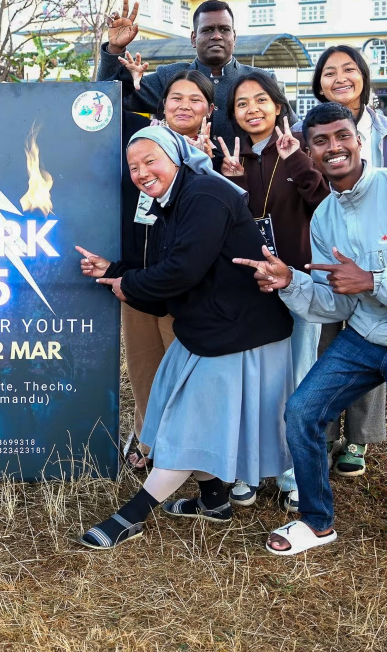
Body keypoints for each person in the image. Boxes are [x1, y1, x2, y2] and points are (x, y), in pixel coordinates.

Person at [237, 102, 387, 560]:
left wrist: (372, 280)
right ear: (309, 153)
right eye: (321, 141)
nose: (334, 147)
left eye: (341, 136)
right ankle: (316, 520)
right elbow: (337, 303)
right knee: (302, 412)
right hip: (367, 334)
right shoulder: (325, 216)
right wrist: (291, 282)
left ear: (359, 139)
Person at [74, 126, 296, 549]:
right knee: (182, 415)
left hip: (239, 332)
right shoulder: (173, 202)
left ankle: (132, 517)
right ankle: (214, 501)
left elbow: (182, 271)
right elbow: (169, 267)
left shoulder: (205, 195)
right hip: (209, 327)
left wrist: (128, 283)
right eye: (133, 167)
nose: (141, 172)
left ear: (176, 158)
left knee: (189, 427)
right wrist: (115, 272)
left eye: (150, 161)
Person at [296, 44, 387, 480]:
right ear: (318, 83)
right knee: (325, 340)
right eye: (329, 72)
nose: (340, 78)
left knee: (374, 334)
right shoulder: (300, 130)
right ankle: (324, 429)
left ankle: (359, 437)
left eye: (349, 69)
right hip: (325, 243)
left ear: (364, 77)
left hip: (380, 252)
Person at [218, 71, 330, 512]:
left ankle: (294, 474)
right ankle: (248, 470)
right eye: (242, 103)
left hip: (298, 283)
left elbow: (325, 206)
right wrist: (231, 180)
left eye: (261, 99)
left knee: (300, 381)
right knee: (253, 382)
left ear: (278, 106)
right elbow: (233, 225)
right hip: (251, 288)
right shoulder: (230, 158)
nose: (252, 109)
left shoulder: (300, 151)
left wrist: (296, 160)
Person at [111, 64, 218, 469]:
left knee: (186, 371)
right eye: (176, 98)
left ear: (209, 109)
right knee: (143, 366)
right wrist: (112, 55)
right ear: (163, 104)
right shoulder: (139, 141)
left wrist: (207, 168)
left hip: (185, 286)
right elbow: (106, 104)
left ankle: (192, 448)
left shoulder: (217, 150)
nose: (184, 106)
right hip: (136, 278)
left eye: (195, 99)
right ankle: (148, 439)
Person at [98, 0, 258, 155]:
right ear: (193, 38)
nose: (217, 36)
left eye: (224, 29)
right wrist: (115, 49)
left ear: (234, 37)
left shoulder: (259, 81)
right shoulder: (169, 77)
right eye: (207, 30)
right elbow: (104, 102)